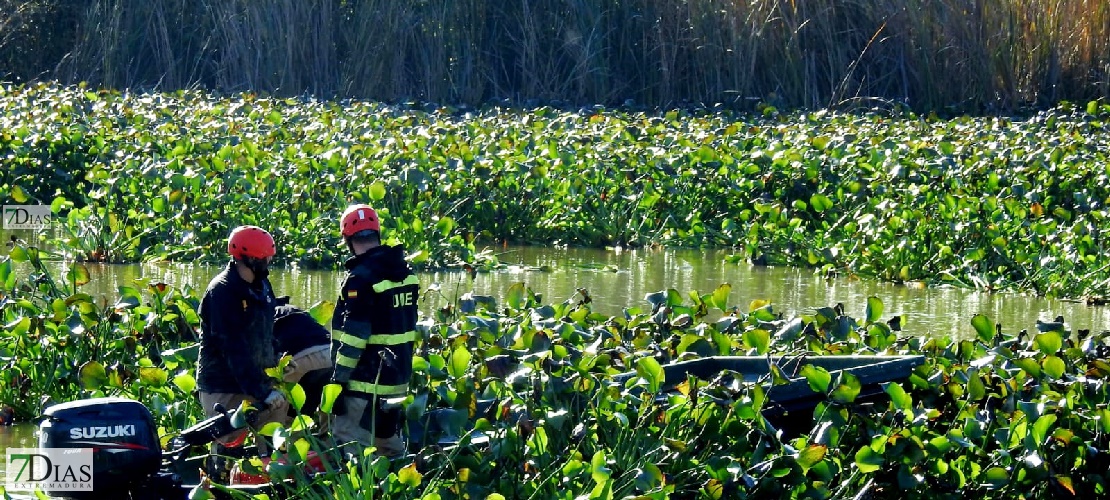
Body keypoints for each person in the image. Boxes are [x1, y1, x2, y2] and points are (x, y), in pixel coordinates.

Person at [329, 204, 420, 459]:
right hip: (396, 382)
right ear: (377, 233)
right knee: (389, 449)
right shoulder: (406, 274)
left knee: (350, 451)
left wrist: (338, 381)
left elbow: (355, 337)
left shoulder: (360, 279)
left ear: (348, 239)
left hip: (364, 385)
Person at [196, 225, 288, 468]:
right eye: (264, 258)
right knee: (228, 451)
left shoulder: (262, 285)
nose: (269, 261)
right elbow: (233, 349)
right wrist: (262, 391)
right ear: (247, 258)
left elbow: (266, 331)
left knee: (272, 445)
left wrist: (277, 359)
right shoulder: (222, 291)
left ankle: (271, 481)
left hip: (259, 382)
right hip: (224, 385)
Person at [273, 302, 333, 419]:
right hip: (330, 352)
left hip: (304, 355)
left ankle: (285, 433)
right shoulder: (294, 310)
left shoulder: (267, 313)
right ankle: (325, 434)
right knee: (326, 401)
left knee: (282, 401)